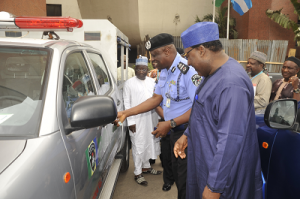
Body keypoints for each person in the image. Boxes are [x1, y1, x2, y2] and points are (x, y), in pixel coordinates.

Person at [174, 22, 262, 199]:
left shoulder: (231, 83)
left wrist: (214, 186)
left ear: (201, 50)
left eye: (189, 56)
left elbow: (231, 138)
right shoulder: (212, 73)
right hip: (206, 165)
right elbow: (204, 112)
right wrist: (187, 135)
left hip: (223, 180)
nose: (188, 63)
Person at [116, 33, 201, 199]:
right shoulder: (164, 72)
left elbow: (199, 108)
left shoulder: (188, 71)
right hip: (173, 130)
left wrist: (171, 123)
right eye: (151, 56)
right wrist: (127, 112)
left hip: (188, 134)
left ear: (168, 51)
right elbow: (155, 99)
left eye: (155, 55)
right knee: (177, 176)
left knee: (185, 182)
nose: (152, 60)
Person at [123, 55, 161, 186]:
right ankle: (138, 173)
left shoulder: (152, 82)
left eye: (144, 69)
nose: (141, 72)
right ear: (135, 68)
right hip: (136, 120)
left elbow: (156, 101)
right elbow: (127, 103)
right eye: (139, 69)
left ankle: (146, 167)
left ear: (147, 69)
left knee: (148, 143)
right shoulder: (129, 83)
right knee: (138, 145)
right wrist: (130, 122)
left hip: (150, 119)